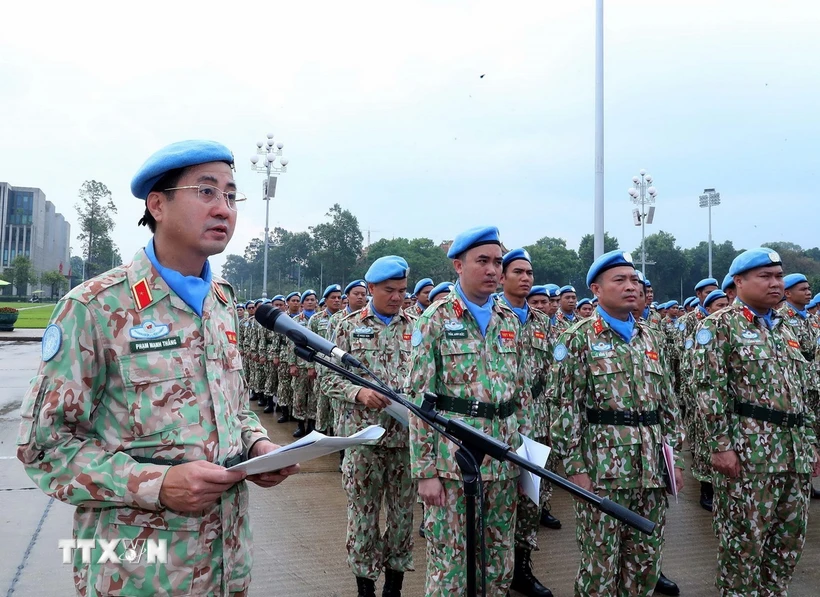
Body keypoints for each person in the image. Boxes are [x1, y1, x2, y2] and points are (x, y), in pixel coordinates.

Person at [17, 140, 298, 596]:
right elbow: (44, 447)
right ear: (157, 205)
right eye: (206, 191)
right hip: (136, 572)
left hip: (227, 564)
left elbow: (233, 406)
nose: (223, 208)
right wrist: (158, 484)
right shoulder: (94, 307)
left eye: (231, 195)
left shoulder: (222, 302)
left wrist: (257, 445)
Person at [551, 250, 684, 597]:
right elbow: (565, 408)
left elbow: (667, 402)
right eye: (620, 280)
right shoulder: (578, 338)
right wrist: (576, 469)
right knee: (599, 565)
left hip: (651, 469)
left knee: (645, 561)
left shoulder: (651, 336)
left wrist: (674, 460)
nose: (631, 287)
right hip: (602, 471)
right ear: (596, 289)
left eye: (634, 280)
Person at [406, 226, 531, 597]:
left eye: (497, 262)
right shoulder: (434, 319)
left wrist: (524, 461)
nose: (492, 270)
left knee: (499, 563)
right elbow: (419, 400)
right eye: (482, 261)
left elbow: (520, 395)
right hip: (452, 466)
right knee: (450, 567)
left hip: (504, 462)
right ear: (458, 266)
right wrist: (424, 472)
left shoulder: (509, 320)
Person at [692, 248, 820, 597]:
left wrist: (810, 443)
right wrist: (721, 446)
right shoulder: (719, 326)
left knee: (787, 544)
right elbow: (708, 390)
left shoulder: (785, 327)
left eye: (778, 276)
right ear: (739, 281)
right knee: (743, 545)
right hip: (749, 456)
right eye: (765, 276)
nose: (775, 283)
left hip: (792, 454)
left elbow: (801, 391)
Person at [325, 257, 416, 597]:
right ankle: (365, 586)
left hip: (405, 440)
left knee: (402, 517)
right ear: (371, 288)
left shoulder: (417, 326)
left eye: (402, 291)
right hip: (364, 440)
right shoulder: (346, 326)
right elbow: (327, 379)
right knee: (363, 516)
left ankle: (394, 584)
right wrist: (359, 392)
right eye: (390, 290)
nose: (397, 297)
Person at [497, 249, 554, 597]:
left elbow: (551, 372)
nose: (526, 278)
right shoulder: (492, 315)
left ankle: (521, 568)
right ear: (502, 277)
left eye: (529, 273)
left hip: (536, 421)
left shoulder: (541, 322)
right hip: (502, 422)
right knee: (499, 500)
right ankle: (496, 570)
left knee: (531, 499)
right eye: (518, 272)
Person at [677, 278, 720, 511]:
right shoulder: (690, 321)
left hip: (720, 390)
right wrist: (692, 391)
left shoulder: (725, 321)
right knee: (701, 438)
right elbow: (685, 357)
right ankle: (706, 487)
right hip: (697, 386)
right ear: (699, 294)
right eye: (709, 292)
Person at [778, 273, 820, 499]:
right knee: (802, 430)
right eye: (802, 289)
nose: (808, 292)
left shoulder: (812, 319)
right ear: (788, 293)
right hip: (796, 382)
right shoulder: (781, 318)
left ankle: (810, 476)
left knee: (814, 432)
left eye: (809, 288)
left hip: (814, 381)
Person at [309, 284, 343, 432]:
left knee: (338, 405)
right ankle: (321, 432)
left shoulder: (346, 318)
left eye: (339, 297)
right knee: (322, 404)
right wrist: (310, 366)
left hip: (341, 368)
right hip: (322, 367)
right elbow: (309, 343)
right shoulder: (316, 319)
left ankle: (336, 434)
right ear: (326, 300)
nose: (337, 300)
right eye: (333, 297)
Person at [274, 291, 301, 424]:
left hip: (300, 357)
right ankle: (285, 411)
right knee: (284, 385)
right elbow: (276, 339)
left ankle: (296, 412)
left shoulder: (303, 318)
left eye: (297, 301)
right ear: (288, 303)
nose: (295, 303)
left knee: (296, 387)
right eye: (293, 300)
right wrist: (275, 355)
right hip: (284, 355)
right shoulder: (282, 318)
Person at [262, 295, 286, 414]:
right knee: (271, 379)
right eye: (276, 305)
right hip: (271, 353)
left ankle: (283, 406)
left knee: (284, 382)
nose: (279, 307)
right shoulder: (268, 320)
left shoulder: (288, 319)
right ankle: (270, 402)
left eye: (281, 305)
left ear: (285, 306)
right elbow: (263, 339)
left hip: (286, 355)